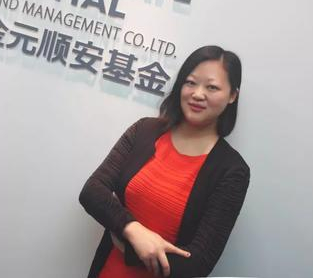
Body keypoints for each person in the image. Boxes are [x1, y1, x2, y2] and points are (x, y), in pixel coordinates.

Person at [79, 45, 250, 278]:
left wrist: (129, 247)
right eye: (190, 83)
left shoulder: (232, 170)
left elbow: (199, 263)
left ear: (232, 95)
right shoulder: (144, 131)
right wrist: (133, 230)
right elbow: (92, 192)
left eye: (212, 87)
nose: (197, 94)